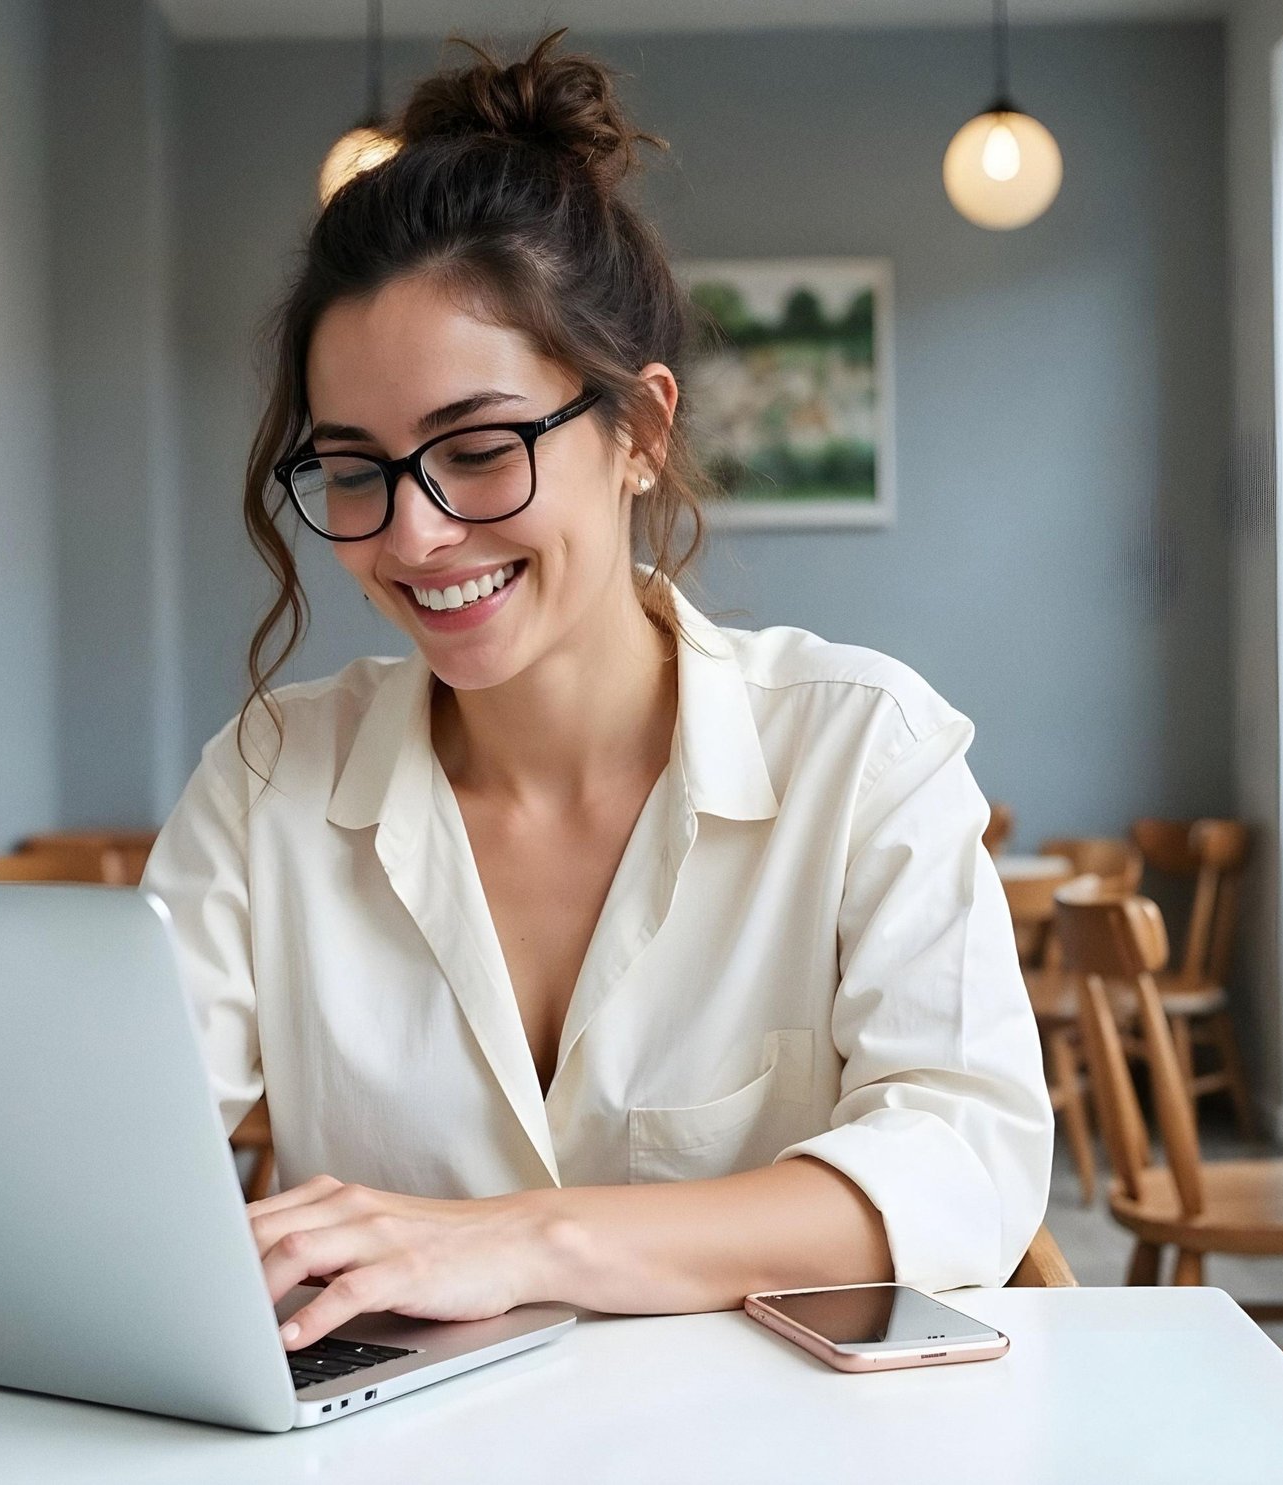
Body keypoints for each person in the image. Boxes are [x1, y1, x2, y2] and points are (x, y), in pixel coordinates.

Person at [141, 32, 1053, 1353]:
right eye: (354, 469)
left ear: (640, 432)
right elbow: (113, 1146)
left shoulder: (861, 748)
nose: (413, 534)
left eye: (476, 447)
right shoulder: (271, 773)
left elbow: (967, 1162)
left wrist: (520, 1236)